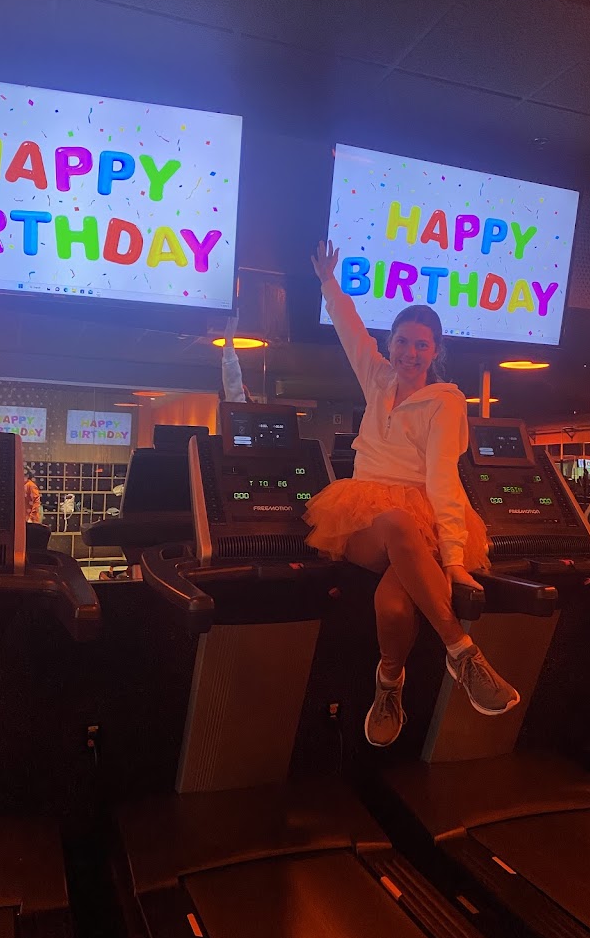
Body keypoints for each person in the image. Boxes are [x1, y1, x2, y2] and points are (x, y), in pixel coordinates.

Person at [306, 240, 519, 747]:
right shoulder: (377, 378)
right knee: (397, 525)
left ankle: (389, 684)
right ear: (391, 343)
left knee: (396, 609)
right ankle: (462, 652)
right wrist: (329, 283)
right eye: (402, 341)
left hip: (420, 512)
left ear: (435, 352)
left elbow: (444, 477)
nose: (409, 353)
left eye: (422, 345)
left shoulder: (446, 402)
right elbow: (351, 333)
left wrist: (453, 557)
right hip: (364, 514)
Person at [221, 313, 253, 403]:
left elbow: (233, 382)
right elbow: (233, 383)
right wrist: (228, 341)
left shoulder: (237, 406)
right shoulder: (238, 404)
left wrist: (228, 341)